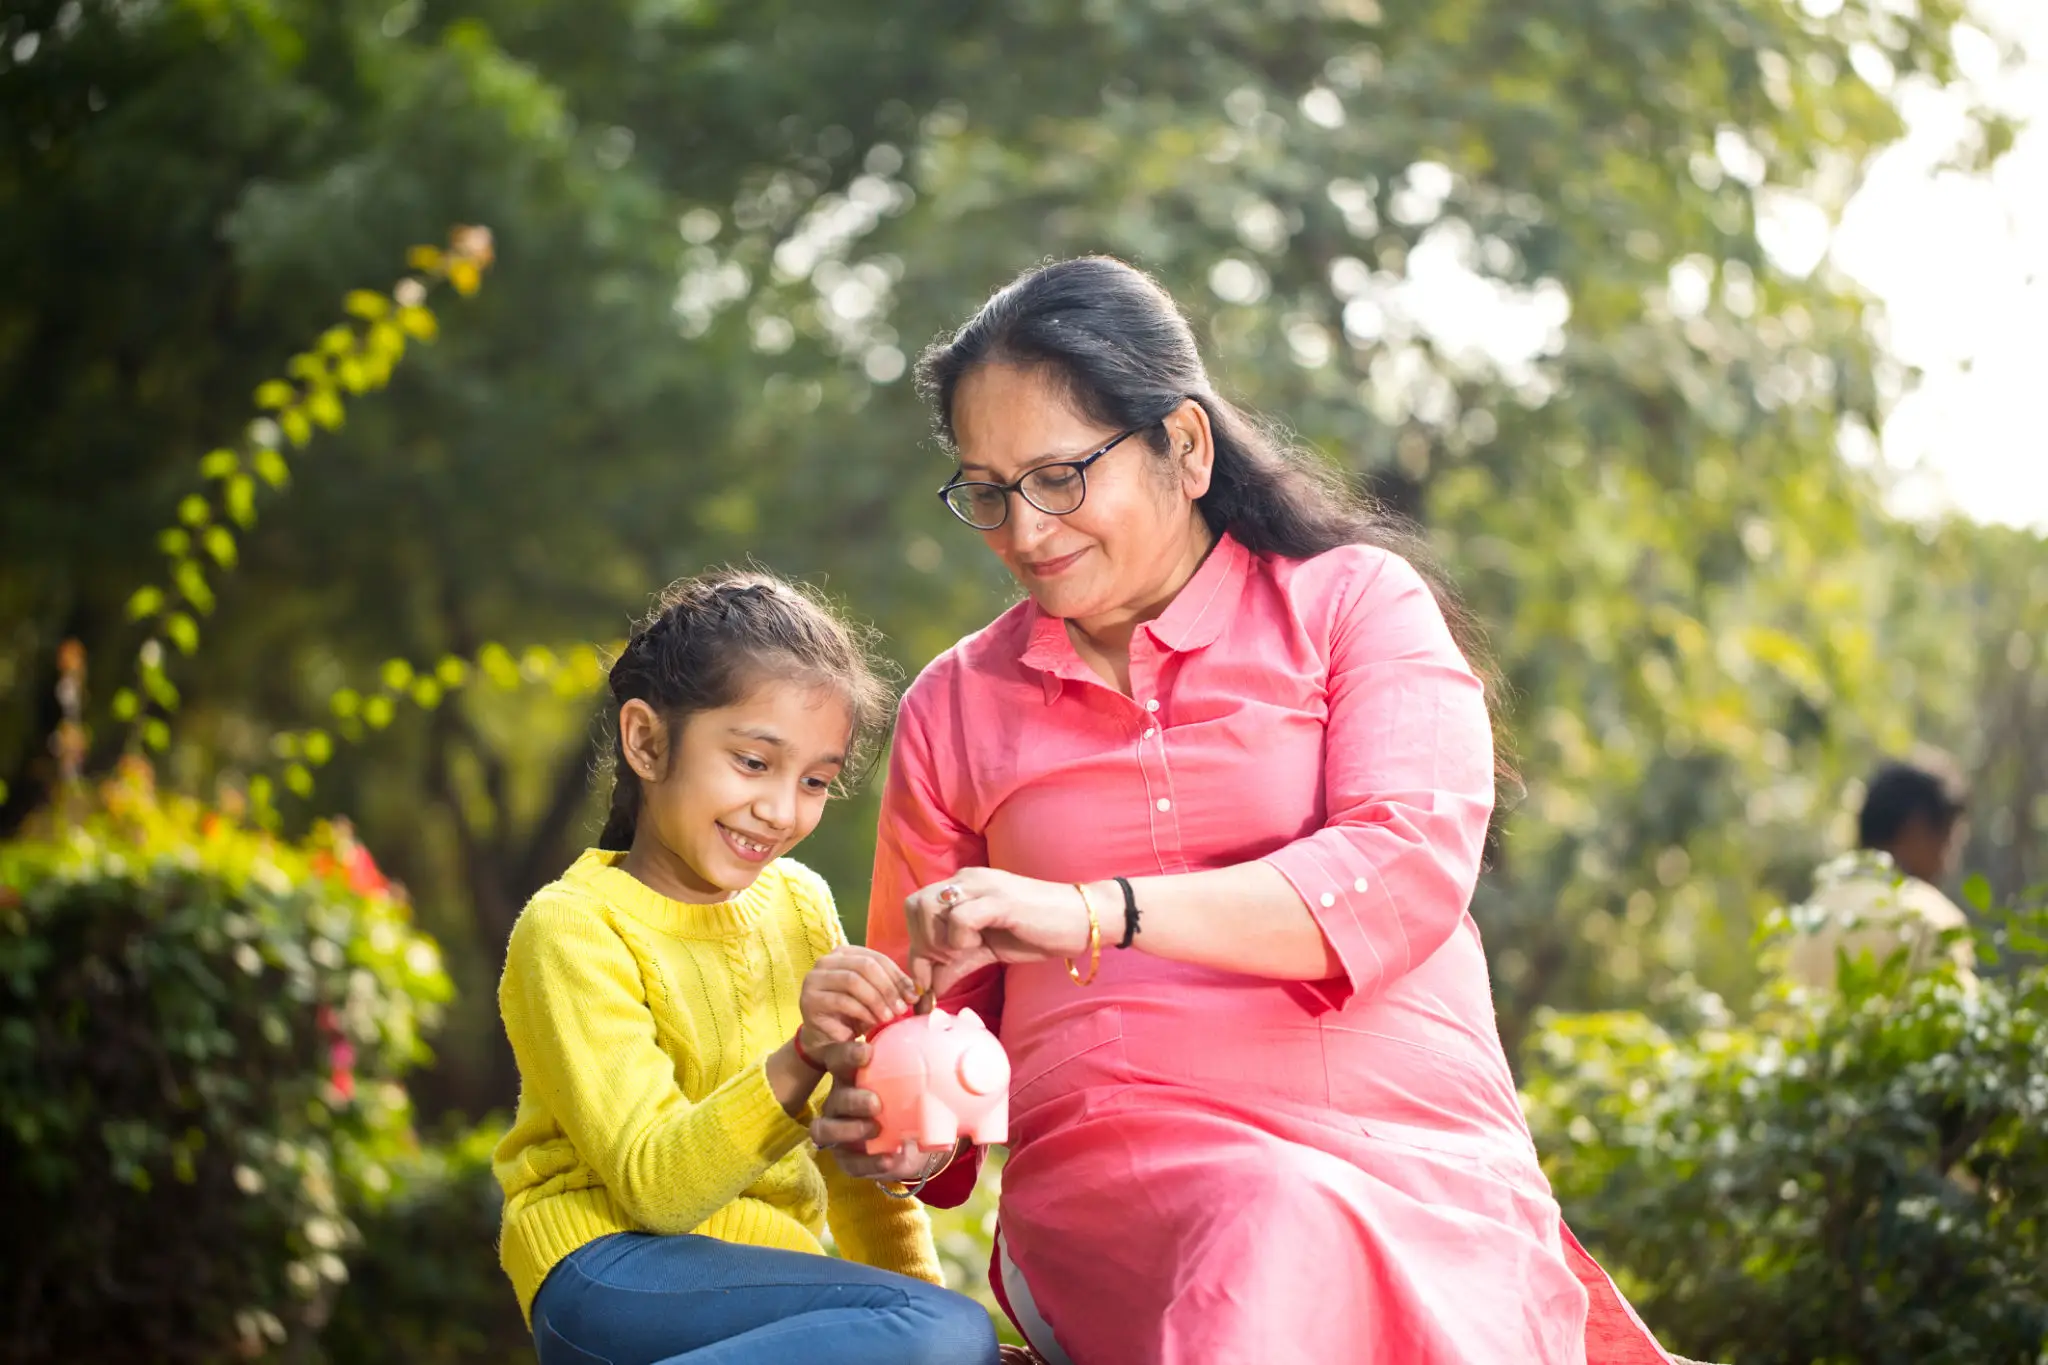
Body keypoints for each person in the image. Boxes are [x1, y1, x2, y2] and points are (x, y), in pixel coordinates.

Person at [810, 257, 1676, 1364]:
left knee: (1302, 1213)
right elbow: (935, 1041)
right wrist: (900, 1131)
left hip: (1420, 1162)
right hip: (1130, 1187)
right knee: (1273, 1215)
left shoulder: (1353, 604)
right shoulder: (956, 707)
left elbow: (1402, 867)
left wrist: (1093, 912)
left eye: (1059, 477)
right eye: (986, 491)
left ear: (1185, 445)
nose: (1023, 533)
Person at [492, 571, 1001, 1365]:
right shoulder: (574, 927)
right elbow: (653, 1186)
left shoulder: (799, 903)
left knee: (949, 1333)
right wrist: (802, 1056)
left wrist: (927, 1324)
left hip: (752, 1296)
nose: (781, 809)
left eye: (815, 781)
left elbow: (852, 1162)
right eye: (754, 762)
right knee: (945, 1333)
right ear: (647, 740)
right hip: (609, 1271)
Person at [1786, 752, 1974, 991]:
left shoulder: (1814, 915)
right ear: (1916, 831)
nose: (1949, 864)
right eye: (1949, 843)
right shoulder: (1927, 919)